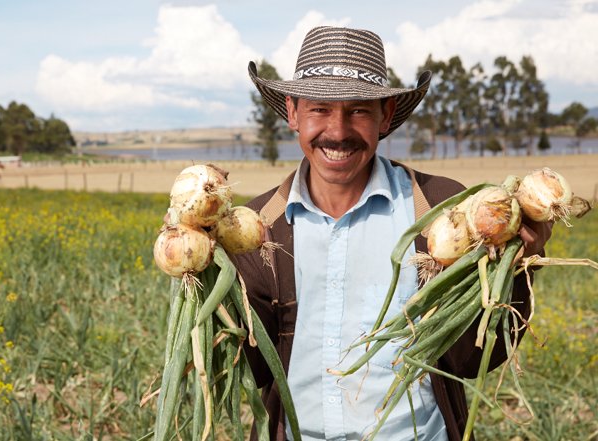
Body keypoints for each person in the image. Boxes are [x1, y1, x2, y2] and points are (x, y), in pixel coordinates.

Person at [234, 26, 551, 441]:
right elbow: (249, 366)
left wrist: (514, 270)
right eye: (320, 109)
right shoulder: (256, 226)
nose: (338, 130)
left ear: (385, 116)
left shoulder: (445, 211)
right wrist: (204, 287)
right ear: (292, 112)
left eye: (359, 111)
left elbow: (476, 356)